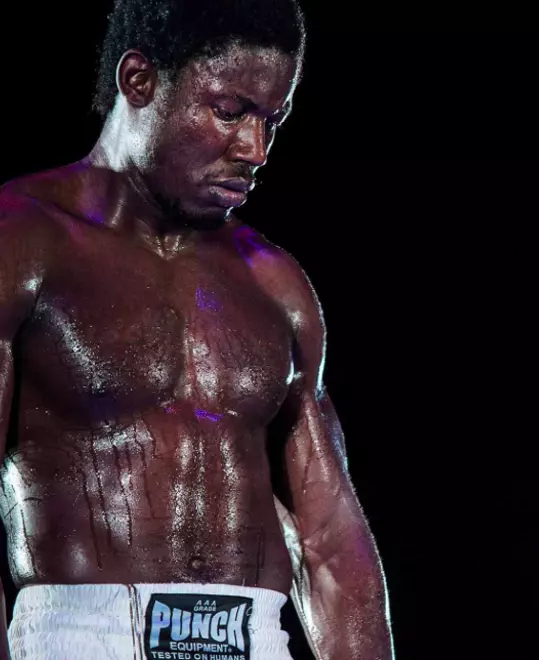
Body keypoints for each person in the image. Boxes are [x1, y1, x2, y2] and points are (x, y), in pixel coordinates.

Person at [0, 0, 394, 658]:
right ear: (139, 81)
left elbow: (328, 541)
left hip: (255, 638)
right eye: (231, 111)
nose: (255, 150)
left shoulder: (276, 284)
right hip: (83, 637)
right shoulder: (22, 242)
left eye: (273, 121)